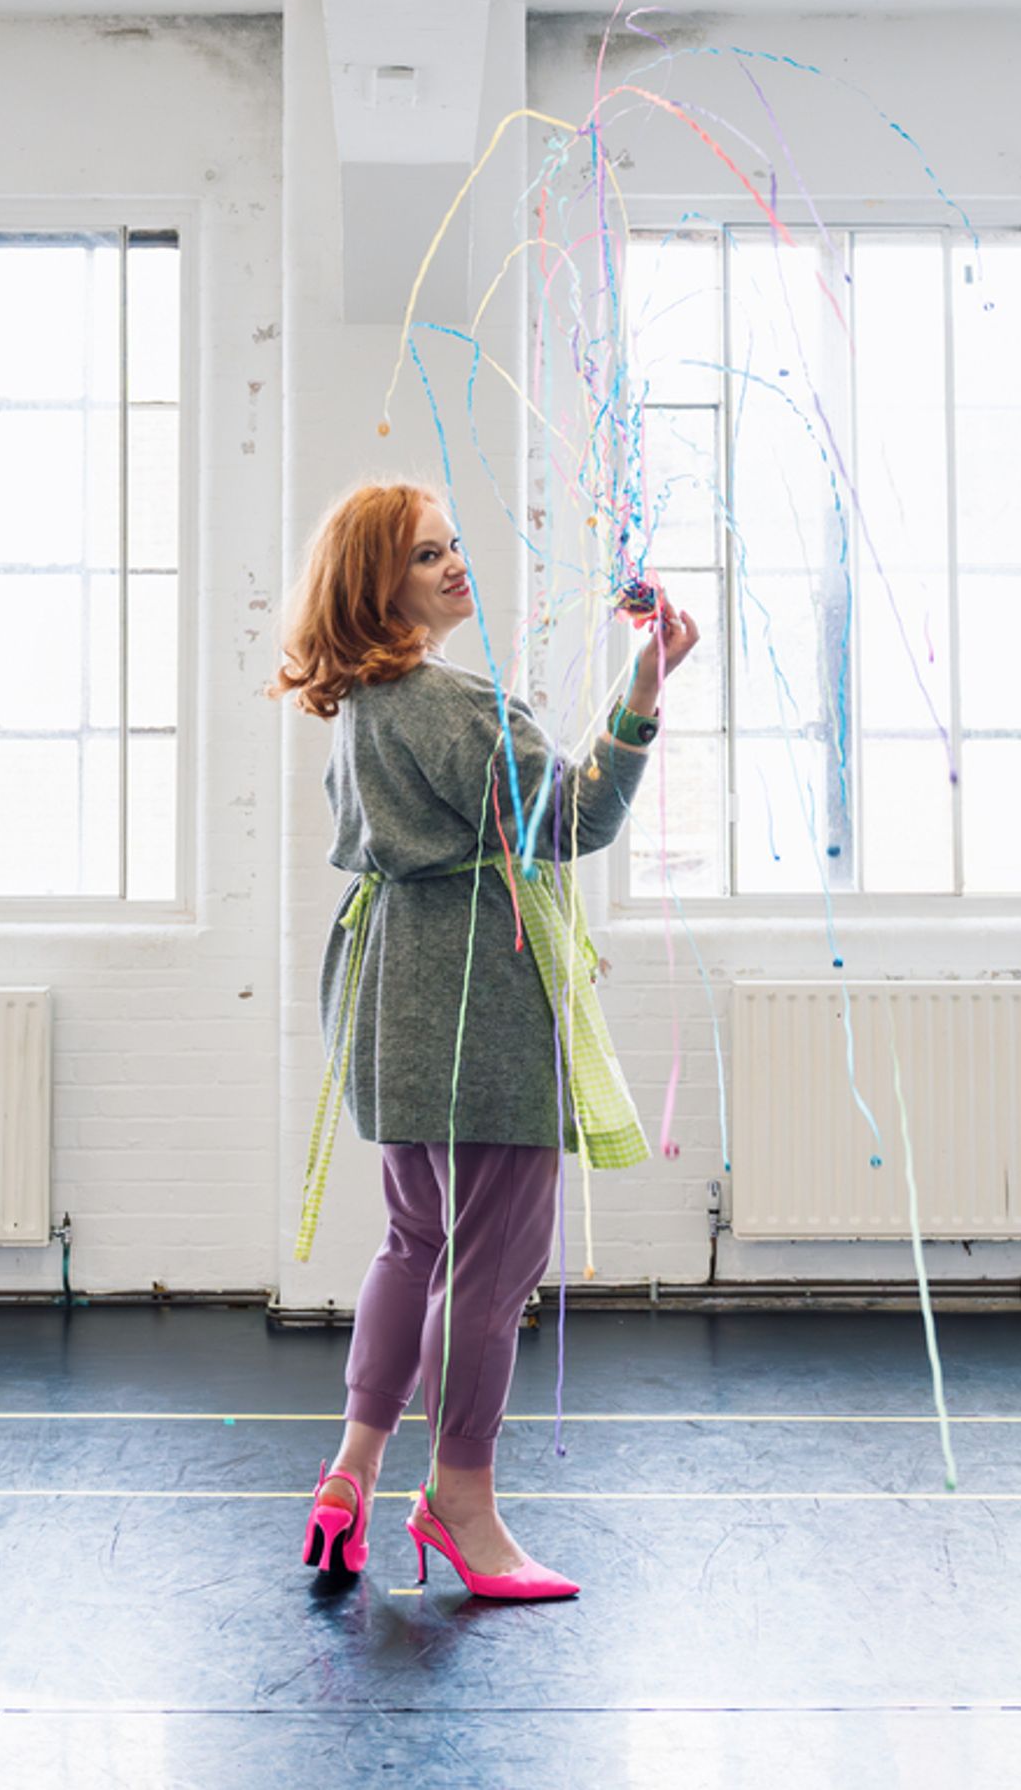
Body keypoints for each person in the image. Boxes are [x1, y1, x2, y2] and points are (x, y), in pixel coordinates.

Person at [270, 478, 699, 1599]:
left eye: (451, 544)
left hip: (391, 998)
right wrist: (643, 688)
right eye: (425, 555)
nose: (455, 563)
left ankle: (351, 1473)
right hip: (476, 1007)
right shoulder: (450, 702)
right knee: (492, 1263)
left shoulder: (366, 705)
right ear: (377, 584)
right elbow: (573, 820)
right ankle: (459, 1499)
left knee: (415, 1241)